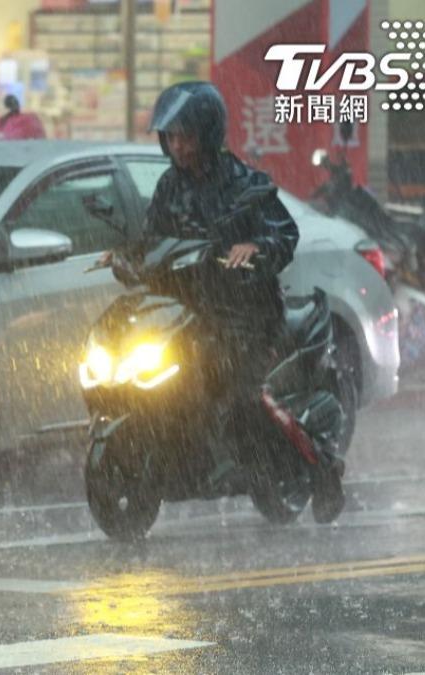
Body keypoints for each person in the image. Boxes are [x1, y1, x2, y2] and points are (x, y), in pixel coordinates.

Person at [130, 81, 304, 486]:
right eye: (171, 136)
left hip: (249, 315)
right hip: (193, 312)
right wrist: (126, 256)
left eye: (185, 136)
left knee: (242, 399)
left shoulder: (243, 183)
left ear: (207, 134)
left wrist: (255, 246)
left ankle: (283, 468)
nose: (178, 146)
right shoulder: (169, 186)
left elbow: (285, 234)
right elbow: (151, 238)